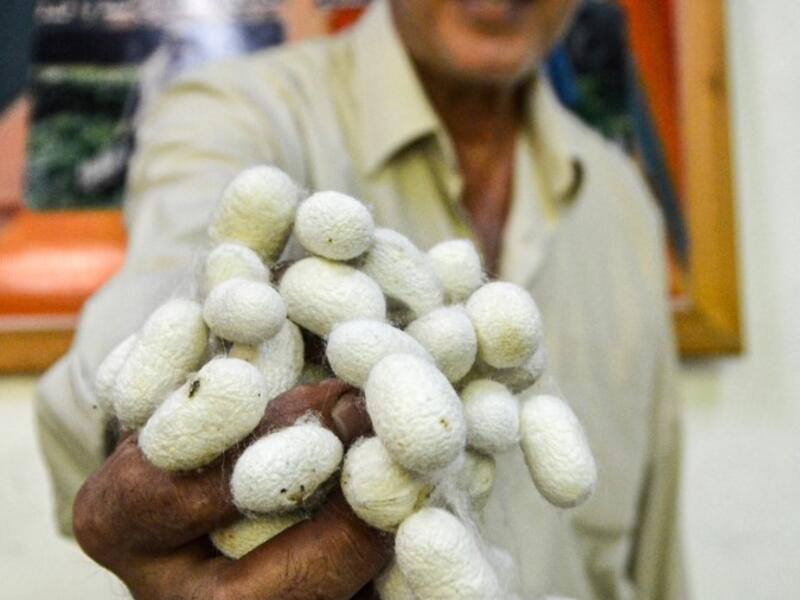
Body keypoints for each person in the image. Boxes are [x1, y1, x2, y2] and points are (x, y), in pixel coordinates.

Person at [37, 0, 687, 598]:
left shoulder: (621, 200)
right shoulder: (237, 113)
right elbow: (144, 319)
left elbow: (654, 550)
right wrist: (148, 446)